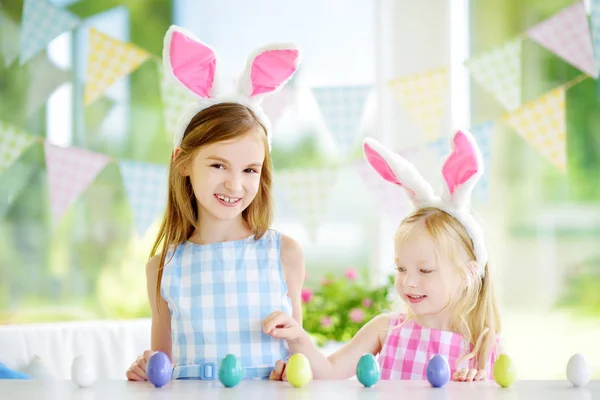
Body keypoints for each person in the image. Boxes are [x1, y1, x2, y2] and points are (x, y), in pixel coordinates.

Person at [126, 25, 304, 381]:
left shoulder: (284, 254)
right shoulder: (162, 268)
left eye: (250, 169)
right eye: (218, 164)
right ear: (183, 162)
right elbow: (164, 371)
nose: (234, 184)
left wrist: (297, 365)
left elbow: (301, 357)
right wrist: (148, 371)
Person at [264, 130, 501, 382]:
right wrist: (298, 338)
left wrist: (476, 389)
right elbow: (328, 372)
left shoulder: (484, 348)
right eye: (401, 269)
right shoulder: (386, 329)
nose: (408, 281)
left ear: (467, 274)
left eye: (425, 270)